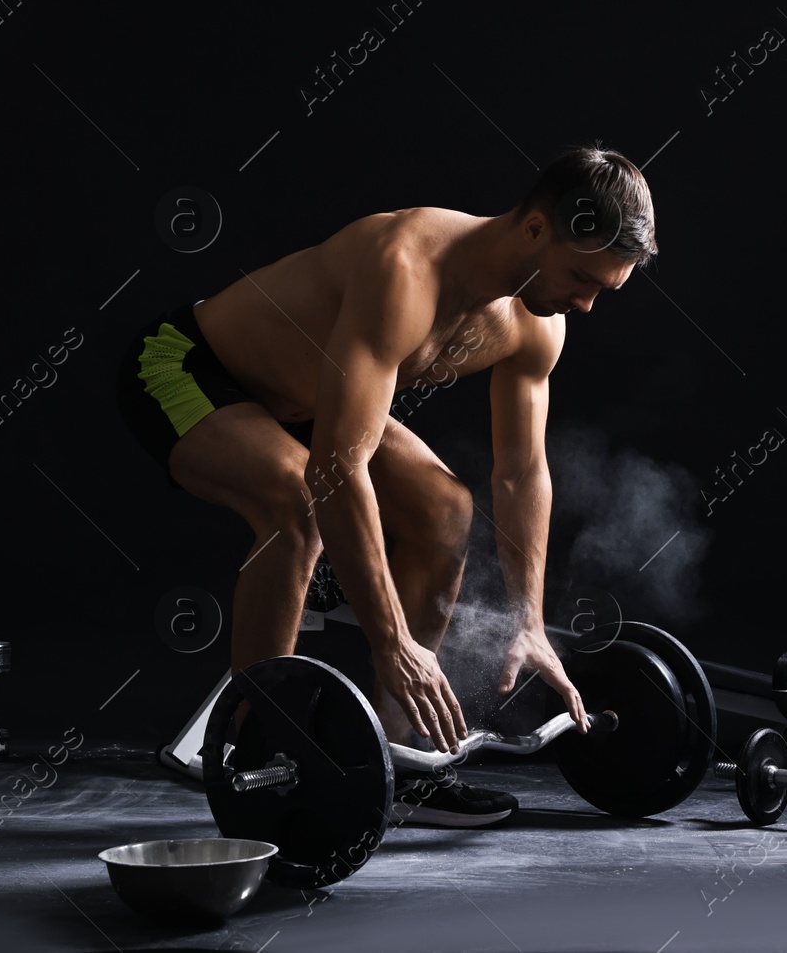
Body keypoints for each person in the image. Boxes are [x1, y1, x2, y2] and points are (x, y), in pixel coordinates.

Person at [117, 143, 657, 825]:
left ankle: (400, 759)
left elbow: (521, 473)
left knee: (446, 508)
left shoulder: (535, 325)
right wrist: (390, 637)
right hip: (186, 365)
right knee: (298, 503)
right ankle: (251, 752)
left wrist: (529, 618)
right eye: (581, 278)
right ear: (535, 229)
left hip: (307, 397)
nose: (583, 305)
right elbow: (337, 469)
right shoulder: (406, 266)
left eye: (601, 291)